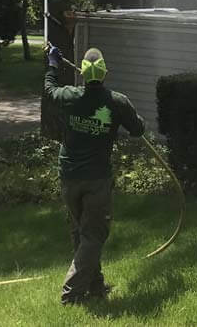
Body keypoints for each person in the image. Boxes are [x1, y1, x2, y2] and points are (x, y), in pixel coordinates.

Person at [44, 44, 145, 305]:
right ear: (104, 73)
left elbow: (49, 91)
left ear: (84, 74)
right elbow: (138, 130)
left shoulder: (70, 96)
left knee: (82, 232)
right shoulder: (116, 102)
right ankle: (71, 294)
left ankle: (96, 288)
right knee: (94, 234)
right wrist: (128, 116)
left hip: (68, 176)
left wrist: (53, 65)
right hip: (97, 179)